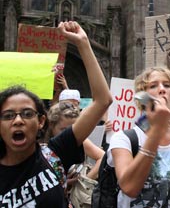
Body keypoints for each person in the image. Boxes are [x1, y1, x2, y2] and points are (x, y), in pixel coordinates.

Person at [0, 21, 112, 207]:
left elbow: (102, 100)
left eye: (27, 113)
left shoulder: (55, 153)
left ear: (41, 121)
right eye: (8, 115)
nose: (18, 120)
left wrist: (83, 44)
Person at [108, 68, 170, 207]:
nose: (162, 89)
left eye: (167, 86)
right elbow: (129, 188)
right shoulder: (124, 139)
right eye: (153, 86)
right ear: (142, 97)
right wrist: (157, 128)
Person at [44, 101, 105, 181]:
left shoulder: (77, 139)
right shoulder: (41, 145)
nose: (69, 134)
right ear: (51, 125)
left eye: (73, 129)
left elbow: (102, 157)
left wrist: (84, 181)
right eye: (63, 130)